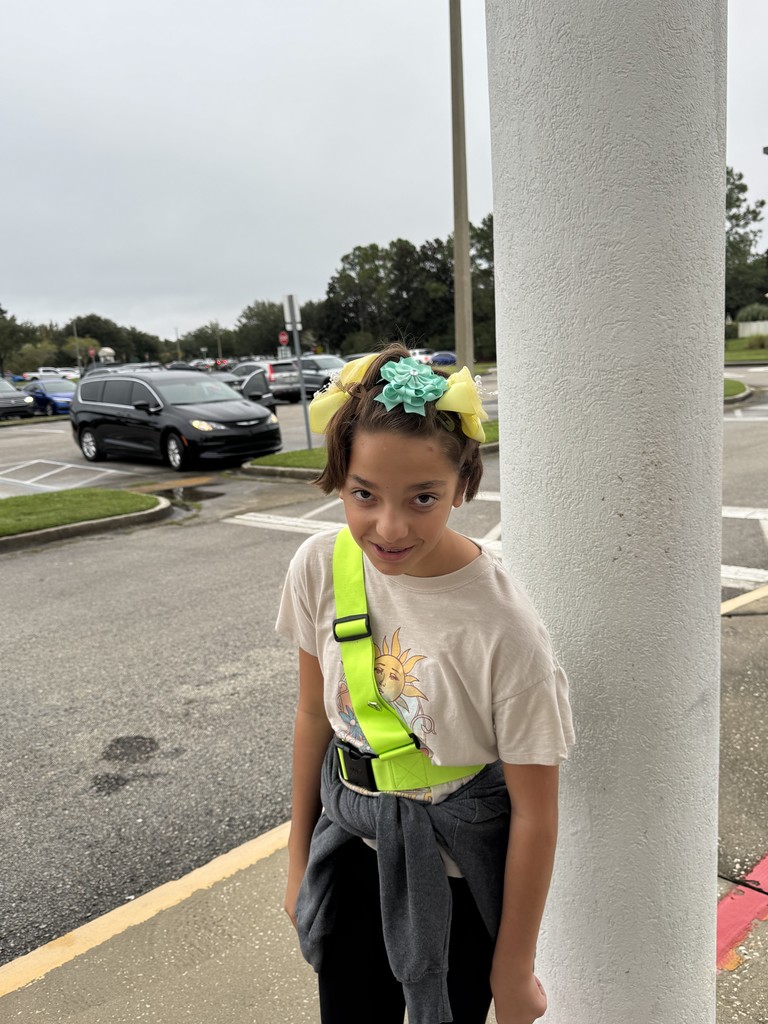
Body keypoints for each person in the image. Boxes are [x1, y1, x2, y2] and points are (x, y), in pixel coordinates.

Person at [276, 344, 574, 1024]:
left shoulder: (506, 632)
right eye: (363, 494)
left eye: (423, 498)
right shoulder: (320, 566)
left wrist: (515, 967)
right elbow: (312, 719)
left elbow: (535, 813)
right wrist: (298, 858)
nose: (389, 526)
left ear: (464, 486)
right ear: (337, 478)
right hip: (349, 847)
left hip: (455, 876)